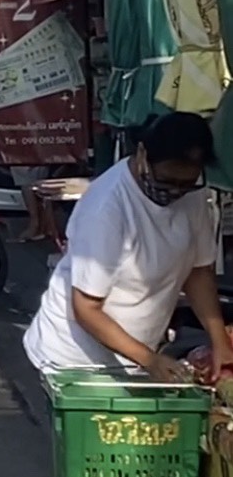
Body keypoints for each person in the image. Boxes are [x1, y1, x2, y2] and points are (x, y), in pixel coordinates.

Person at [23, 113, 233, 381]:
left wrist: (219, 341)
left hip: (137, 356)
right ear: (142, 155)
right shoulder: (106, 208)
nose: (175, 192)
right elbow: (86, 308)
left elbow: (198, 272)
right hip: (74, 359)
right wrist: (149, 359)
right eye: (166, 181)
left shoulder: (194, 195)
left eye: (186, 184)